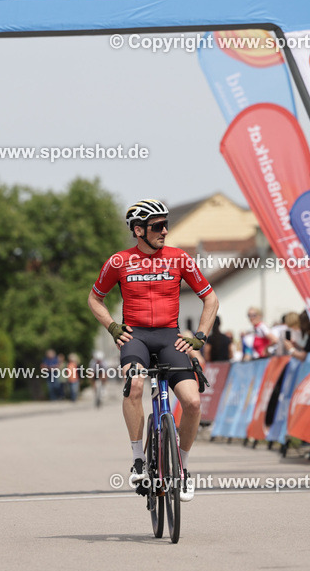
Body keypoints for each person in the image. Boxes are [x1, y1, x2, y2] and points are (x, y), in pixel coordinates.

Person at [88, 198, 219, 503]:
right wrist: (112, 327)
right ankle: (138, 459)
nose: (165, 231)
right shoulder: (119, 262)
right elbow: (94, 299)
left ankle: (183, 468)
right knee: (134, 384)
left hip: (170, 336)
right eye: (158, 226)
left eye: (166, 225)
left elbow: (210, 298)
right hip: (135, 337)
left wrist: (200, 337)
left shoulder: (179, 258)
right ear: (138, 230)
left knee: (193, 402)